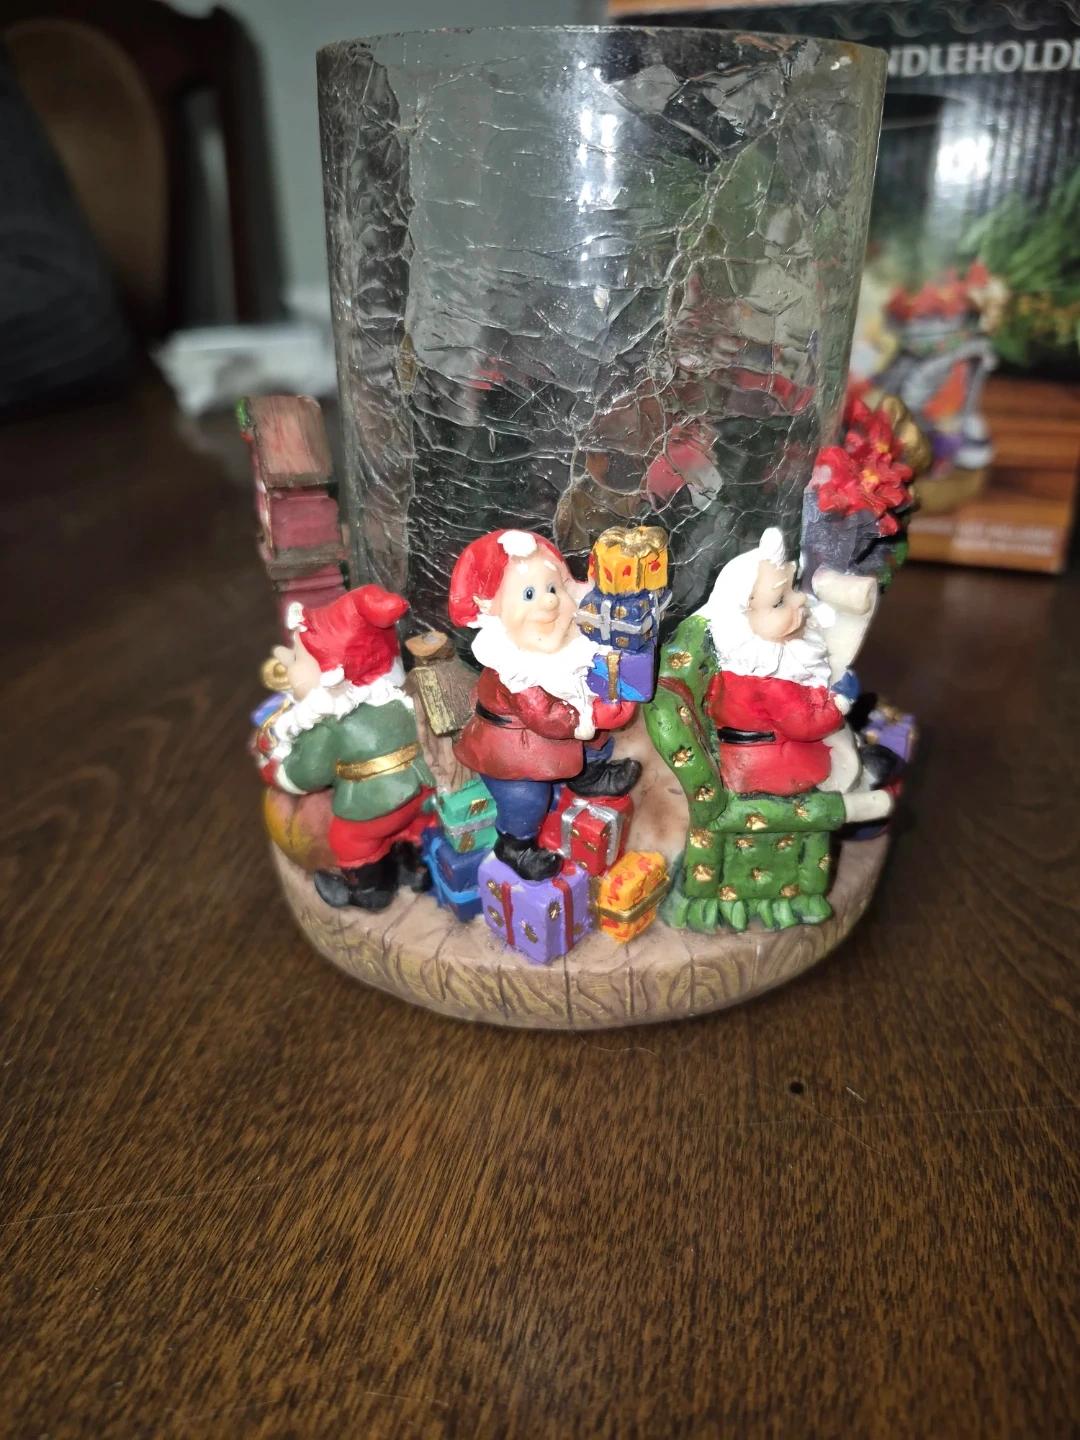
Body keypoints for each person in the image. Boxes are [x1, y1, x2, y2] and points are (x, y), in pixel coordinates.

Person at [449, 529, 639, 881]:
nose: (549, 603)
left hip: (562, 735)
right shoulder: (515, 667)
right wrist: (590, 716)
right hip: (514, 749)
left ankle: (589, 776)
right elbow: (545, 716)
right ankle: (515, 844)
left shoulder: (568, 647)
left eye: (553, 589)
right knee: (526, 798)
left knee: (596, 742)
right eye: (529, 594)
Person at [255, 585, 436, 910]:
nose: (289, 668)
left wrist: (276, 770)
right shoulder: (397, 700)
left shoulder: (330, 725)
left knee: (349, 839)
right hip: (421, 790)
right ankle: (414, 866)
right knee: (413, 825)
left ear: (331, 675)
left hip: (375, 805)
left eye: (299, 659)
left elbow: (308, 774)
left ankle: (371, 889)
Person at [698, 528, 845, 797]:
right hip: (772, 764)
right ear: (741, 621)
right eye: (779, 602)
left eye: (792, 589)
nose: (800, 598)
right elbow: (806, 725)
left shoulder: (740, 670)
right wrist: (841, 703)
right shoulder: (770, 681)